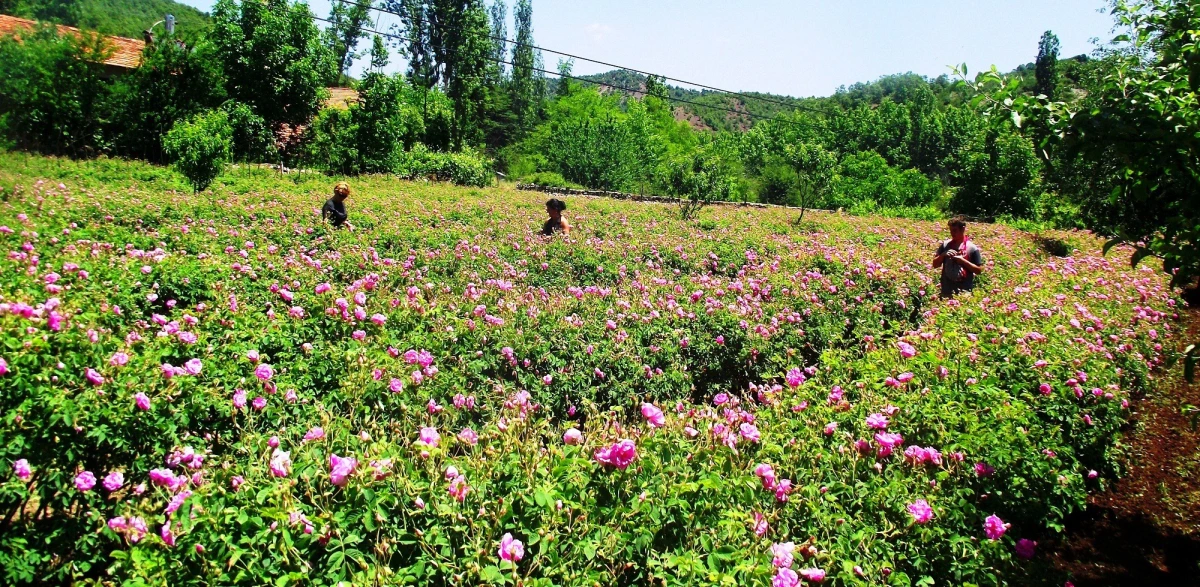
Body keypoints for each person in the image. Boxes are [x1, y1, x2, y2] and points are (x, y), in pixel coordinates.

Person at [932, 216, 983, 297]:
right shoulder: (945, 245)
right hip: (946, 290)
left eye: (955, 230)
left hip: (964, 292)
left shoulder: (972, 248)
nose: (952, 233)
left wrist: (963, 261)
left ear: (963, 229)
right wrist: (943, 255)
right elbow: (935, 265)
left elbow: (979, 270)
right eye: (951, 230)